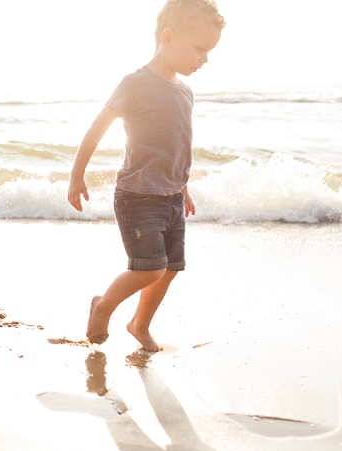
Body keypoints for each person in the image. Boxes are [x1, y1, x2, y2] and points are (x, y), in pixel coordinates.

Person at [67, 0, 224, 352]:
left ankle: (139, 324)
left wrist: (182, 188)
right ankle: (103, 305)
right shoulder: (135, 84)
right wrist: (77, 175)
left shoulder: (184, 91)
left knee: (170, 268)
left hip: (169, 196)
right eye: (199, 48)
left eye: (209, 51)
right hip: (138, 196)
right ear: (167, 37)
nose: (204, 58)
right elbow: (97, 127)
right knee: (149, 268)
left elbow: (174, 145)